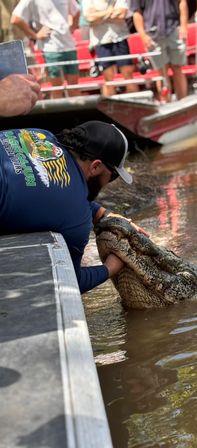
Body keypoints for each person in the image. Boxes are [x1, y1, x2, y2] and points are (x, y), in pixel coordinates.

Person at [0, 120, 141, 294]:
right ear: (96, 166)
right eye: (112, 177)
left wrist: (103, 214)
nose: (108, 183)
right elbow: (71, 281)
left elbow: (45, 188)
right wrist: (111, 267)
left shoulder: (40, 134)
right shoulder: (77, 218)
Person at [11, 0, 81, 99]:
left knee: (74, 88)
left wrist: (72, 27)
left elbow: (77, 11)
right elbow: (15, 19)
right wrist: (35, 35)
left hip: (70, 47)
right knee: (57, 90)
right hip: (50, 50)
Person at [130, 0, 189, 102]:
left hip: (173, 29)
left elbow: (182, 2)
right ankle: (167, 104)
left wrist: (184, 26)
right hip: (152, 34)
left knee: (178, 68)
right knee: (161, 73)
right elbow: (137, 12)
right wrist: (143, 35)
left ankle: (183, 103)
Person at [83, 0, 138, 96]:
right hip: (101, 41)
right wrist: (110, 12)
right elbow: (90, 18)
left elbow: (121, 14)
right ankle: (109, 106)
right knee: (108, 78)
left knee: (128, 74)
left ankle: (136, 103)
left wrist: (98, 15)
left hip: (120, 38)